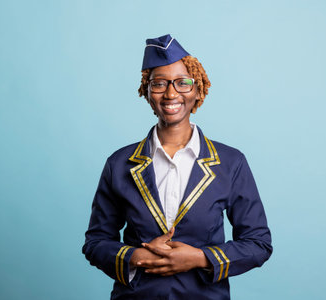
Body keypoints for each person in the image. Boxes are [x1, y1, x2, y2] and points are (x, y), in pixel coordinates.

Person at [82, 34, 272, 300]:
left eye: (183, 83)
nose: (171, 93)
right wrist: (136, 256)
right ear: (146, 92)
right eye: (159, 83)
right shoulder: (119, 164)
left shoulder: (231, 162)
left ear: (198, 89)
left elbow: (258, 244)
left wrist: (199, 258)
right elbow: (96, 243)